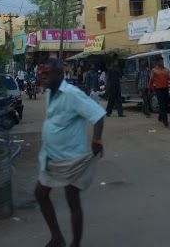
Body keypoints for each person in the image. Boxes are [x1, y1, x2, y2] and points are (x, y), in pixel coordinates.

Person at [35, 58, 105, 247]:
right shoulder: (51, 92)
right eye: (42, 72)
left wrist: (97, 140)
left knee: (72, 200)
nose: (42, 76)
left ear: (59, 75)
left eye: (47, 73)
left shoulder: (72, 94)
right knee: (40, 194)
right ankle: (57, 238)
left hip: (72, 159)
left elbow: (98, 115)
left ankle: (75, 243)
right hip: (51, 157)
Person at [148, 56, 170, 126]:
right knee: (161, 104)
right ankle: (165, 120)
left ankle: (160, 117)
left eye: (162, 61)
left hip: (165, 88)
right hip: (159, 89)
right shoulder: (154, 70)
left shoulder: (166, 70)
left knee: (166, 104)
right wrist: (149, 89)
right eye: (160, 61)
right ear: (157, 62)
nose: (161, 63)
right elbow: (151, 80)